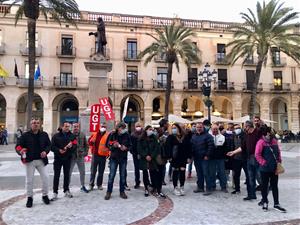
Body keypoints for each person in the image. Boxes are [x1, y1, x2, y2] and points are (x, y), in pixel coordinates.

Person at [15, 118, 51, 208]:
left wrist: (45, 152)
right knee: (29, 180)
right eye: (34, 123)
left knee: (46, 177)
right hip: (29, 161)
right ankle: (29, 198)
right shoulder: (25, 135)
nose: (36, 124)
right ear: (31, 124)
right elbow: (18, 146)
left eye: (37, 123)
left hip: (41, 160)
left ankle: (45, 195)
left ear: (40, 124)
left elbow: (48, 145)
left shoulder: (44, 134)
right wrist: (21, 151)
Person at [255, 126, 286, 212]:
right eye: (270, 132)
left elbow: (278, 152)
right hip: (264, 169)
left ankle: (276, 203)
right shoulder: (261, 142)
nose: (272, 133)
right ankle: (265, 202)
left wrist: (279, 161)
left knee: (275, 186)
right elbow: (257, 155)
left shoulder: (274, 141)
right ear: (267, 133)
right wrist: (264, 163)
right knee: (264, 186)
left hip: (274, 168)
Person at [104, 122, 131, 200]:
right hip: (114, 158)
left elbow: (130, 145)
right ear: (118, 128)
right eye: (122, 128)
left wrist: (126, 148)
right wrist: (113, 146)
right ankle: (109, 192)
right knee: (111, 176)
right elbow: (107, 144)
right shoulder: (112, 134)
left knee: (123, 176)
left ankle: (122, 192)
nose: (123, 130)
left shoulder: (126, 135)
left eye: (124, 128)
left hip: (123, 158)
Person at [51, 121, 77, 200]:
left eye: (68, 126)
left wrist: (71, 146)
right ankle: (55, 192)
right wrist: (58, 150)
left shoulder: (72, 136)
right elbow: (52, 147)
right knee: (56, 176)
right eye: (65, 126)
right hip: (58, 158)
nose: (67, 128)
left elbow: (75, 145)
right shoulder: (56, 136)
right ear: (62, 127)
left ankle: (66, 190)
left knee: (66, 175)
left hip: (67, 158)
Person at [138, 125, 165, 198]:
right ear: (146, 130)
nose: (151, 131)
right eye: (150, 129)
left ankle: (155, 187)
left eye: (152, 130)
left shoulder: (154, 138)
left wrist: (151, 156)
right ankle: (146, 188)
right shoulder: (141, 138)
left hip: (153, 159)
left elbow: (157, 148)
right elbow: (139, 149)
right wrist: (146, 155)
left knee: (154, 173)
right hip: (144, 159)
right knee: (145, 174)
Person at [166, 123, 191, 196]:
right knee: (175, 172)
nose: (173, 129)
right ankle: (175, 187)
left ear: (178, 128)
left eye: (175, 127)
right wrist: (169, 157)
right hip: (175, 158)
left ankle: (182, 187)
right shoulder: (170, 137)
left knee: (182, 172)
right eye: (172, 128)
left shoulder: (185, 136)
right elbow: (167, 147)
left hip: (183, 157)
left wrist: (189, 157)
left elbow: (189, 147)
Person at [191, 122, 214, 195]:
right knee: (199, 173)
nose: (199, 129)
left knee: (206, 173)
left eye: (200, 127)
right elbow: (192, 146)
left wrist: (207, 155)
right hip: (196, 158)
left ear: (203, 127)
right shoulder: (194, 136)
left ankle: (209, 188)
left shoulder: (208, 136)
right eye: (197, 127)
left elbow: (211, 146)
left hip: (205, 158)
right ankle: (200, 187)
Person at [226, 124, 249, 194]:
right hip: (236, 158)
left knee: (248, 174)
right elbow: (232, 146)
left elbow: (245, 147)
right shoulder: (233, 136)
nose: (237, 129)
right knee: (236, 175)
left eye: (238, 128)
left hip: (245, 158)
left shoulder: (245, 135)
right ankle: (237, 189)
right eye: (235, 128)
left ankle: (250, 189)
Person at [243, 120, 262, 201]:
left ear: (248, 126)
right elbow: (243, 146)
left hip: (257, 158)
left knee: (260, 177)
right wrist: (233, 152)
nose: (244, 128)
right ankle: (251, 195)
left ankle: (265, 194)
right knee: (251, 178)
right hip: (249, 158)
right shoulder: (247, 135)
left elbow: (264, 140)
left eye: (245, 126)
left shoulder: (258, 132)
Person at [88, 123, 110, 191]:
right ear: (99, 127)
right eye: (102, 126)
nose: (103, 128)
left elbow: (109, 145)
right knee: (93, 171)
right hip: (95, 155)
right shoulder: (94, 134)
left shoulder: (108, 135)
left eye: (104, 127)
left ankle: (99, 184)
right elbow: (89, 142)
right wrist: (91, 141)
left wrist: (108, 153)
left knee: (101, 171)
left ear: (106, 128)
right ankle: (91, 185)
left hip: (103, 156)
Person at [69, 123, 89, 193]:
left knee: (82, 172)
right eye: (74, 127)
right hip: (72, 157)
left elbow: (86, 145)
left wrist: (85, 153)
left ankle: (82, 186)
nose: (76, 128)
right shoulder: (69, 135)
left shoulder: (82, 134)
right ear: (72, 127)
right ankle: (67, 187)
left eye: (77, 127)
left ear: (79, 127)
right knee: (69, 172)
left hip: (80, 156)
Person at [209, 123, 228, 193]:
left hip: (220, 158)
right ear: (211, 129)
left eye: (216, 129)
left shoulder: (222, 137)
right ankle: (212, 186)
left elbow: (225, 148)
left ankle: (223, 186)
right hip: (211, 158)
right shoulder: (209, 137)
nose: (215, 130)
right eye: (213, 129)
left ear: (218, 129)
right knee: (212, 173)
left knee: (222, 173)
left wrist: (225, 157)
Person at [130, 122, 143, 189]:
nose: (138, 127)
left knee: (145, 169)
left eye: (139, 126)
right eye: (137, 126)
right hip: (135, 155)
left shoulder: (144, 134)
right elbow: (131, 146)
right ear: (135, 127)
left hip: (143, 155)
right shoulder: (132, 135)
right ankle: (137, 182)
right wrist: (134, 153)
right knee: (136, 169)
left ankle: (147, 182)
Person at [158, 119, 169, 185]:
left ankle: (162, 180)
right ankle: (161, 180)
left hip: (164, 151)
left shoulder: (166, 132)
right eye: (167, 124)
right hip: (160, 151)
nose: (168, 125)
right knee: (161, 166)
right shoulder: (159, 131)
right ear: (164, 124)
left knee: (163, 166)